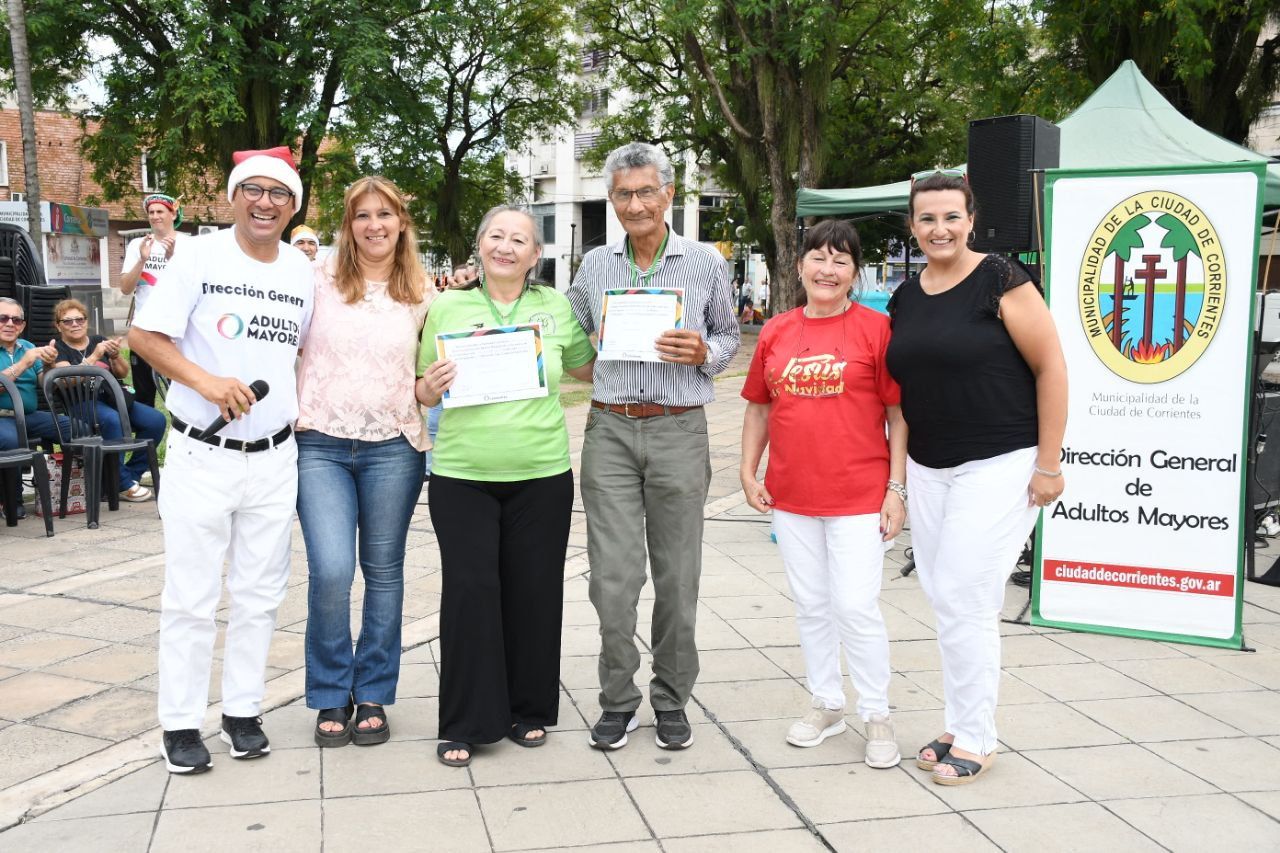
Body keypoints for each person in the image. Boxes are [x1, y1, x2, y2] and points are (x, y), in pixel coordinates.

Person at [129, 146, 314, 775]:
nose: (265, 203)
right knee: (191, 595)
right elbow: (144, 336)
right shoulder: (197, 258)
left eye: (279, 194)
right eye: (253, 190)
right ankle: (180, 724)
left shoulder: (301, 271)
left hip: (274, 457)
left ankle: (242, 712)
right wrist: (207, 382)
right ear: (233, 197)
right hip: (202, 452)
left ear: (293, 206)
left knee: (260, 593)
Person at [885, 169, 1067, 785]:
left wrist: (1049, 462)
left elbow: (1052, 366)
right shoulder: (906, 295)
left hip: (1002, 460)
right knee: (948, 595)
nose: (940, 228)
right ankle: (961, 719)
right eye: (927, 218)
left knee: (964, 593)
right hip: (930, 466)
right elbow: (904, 391)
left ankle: (978, 736)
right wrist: (901, 481)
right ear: (912, 226)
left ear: (970, 220)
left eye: (951, 217)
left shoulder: (1001, 278)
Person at [568, 142, 740, 751]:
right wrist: (589, 356)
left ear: (669, 193)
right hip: (610, 429)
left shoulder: (703, 262)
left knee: (677, 576)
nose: (635, 203)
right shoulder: (595, 266)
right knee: (611, 581)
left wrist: (704, 354)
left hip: (678, 427)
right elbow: (568, 336)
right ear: (610, 200)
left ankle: (671, 697)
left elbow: (727, 335)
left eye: (646, 191)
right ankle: (618, 699)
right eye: (623, 194)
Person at [417, 205, 595, 767]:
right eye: (496, 235)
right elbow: (422, 392)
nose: (507, 246)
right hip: (462, 475)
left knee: (534, 593)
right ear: (480, 245)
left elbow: (586, 368)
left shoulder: (555, 306)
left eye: (520, 239)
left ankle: (529, 709)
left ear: (534, 255)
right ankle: (466, 721)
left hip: (541, 473)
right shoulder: (448, 304)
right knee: (470, 594)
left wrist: (626, 331)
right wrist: (431, 384)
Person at [739, 219, 905, 768]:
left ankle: (876, 712)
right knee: (812, 606)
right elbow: (759, 406)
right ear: (800, 265)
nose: (827, 269)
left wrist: (895, 489)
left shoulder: (875, 330)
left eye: (840, 260)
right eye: (818, 257)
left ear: (854, 272)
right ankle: (828, 702)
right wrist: (748, 471)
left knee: (856, 607)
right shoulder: (777, 331)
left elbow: (896, 413)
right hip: (791, 495)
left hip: (858, 494)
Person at [296, 177, 432, 748]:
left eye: (385, 214)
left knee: (384, 573)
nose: (374, 225)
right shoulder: (315, 279)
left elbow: (428, 374)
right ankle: (330, 692)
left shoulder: (425, 292)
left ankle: (372, 690)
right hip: (320, 442)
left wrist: (433, 387)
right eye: (361, 215)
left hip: (394, 446)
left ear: (402, 222)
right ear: (347, 225)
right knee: (330, 570)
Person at [50, 298, 167, 502]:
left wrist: (114, 356)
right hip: (79, 403)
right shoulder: (58, 348)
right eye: (67, 321)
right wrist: (95, 357)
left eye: (79, 319)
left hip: (111, 397)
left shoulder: (98, 339)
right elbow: (64, 380)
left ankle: (128, 475)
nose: (75, 324)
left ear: (86, 321)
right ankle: (121, 483)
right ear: (58, 325)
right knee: (112, 420)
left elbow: (122, 373)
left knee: (155, 420)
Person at [120, 193, 187, 409]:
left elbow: (194, 289)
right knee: (143, 396)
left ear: (173, 213)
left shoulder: (189, 244)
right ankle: (145, 440)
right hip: (144, 331)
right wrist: (142, 259)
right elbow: (125, 287)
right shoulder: (137, 245)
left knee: (181, 394)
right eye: (151, 212)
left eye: (160, 211)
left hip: (177, 332)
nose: (155, 216)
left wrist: (172, 259)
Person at [0, 297, 63, 451]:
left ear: (22, 326)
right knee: (11, 442)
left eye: (16, 320)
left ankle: (70, 474)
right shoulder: (28, 355)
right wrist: (23, 364)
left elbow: (47, 385)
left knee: (79, 429)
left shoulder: (28, 346)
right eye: (3, 318)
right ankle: (17, 476)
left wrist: (49, 365)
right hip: (2, 418)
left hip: (29, 416)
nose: (10, 324)